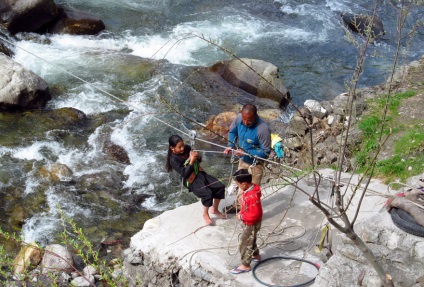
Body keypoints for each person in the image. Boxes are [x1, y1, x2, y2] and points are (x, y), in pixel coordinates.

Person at [166, 134, 226, 225]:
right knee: (207, 193)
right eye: (179, 147)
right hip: (190, 179)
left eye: (182, 145)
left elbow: (199, 160)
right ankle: (205, 214)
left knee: (220, 186)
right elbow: (184, 174)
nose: (182, 148)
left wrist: (197, 157)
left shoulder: (187, 148)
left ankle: (215, 209)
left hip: (199, 173)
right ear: (172, 148)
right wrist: (191, 161)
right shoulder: (173, 160)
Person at [223, 103, 271, 213]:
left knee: (252, 189)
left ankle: (250, 211)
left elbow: (266, 152)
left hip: (256, 164)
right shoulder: (239, 119)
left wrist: (246, 152)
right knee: (241, 184)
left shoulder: (262, 129)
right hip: (243, 160)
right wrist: (230, 145)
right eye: (244, 119)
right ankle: (239, 205)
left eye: (249, 120)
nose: (245, 122)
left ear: (255, 116)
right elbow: (232, 131)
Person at [230, 169, 263, 274]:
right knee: (251, 239)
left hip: (251, 222)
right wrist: (242, 210)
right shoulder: (253, 189)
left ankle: (245, 265)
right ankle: (255, 255)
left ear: (244, 184)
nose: (238, 187)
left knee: (244, 243)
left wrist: (242, 217)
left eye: (238, 185)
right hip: (252, 221)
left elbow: (254, 214)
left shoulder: (251, 196)